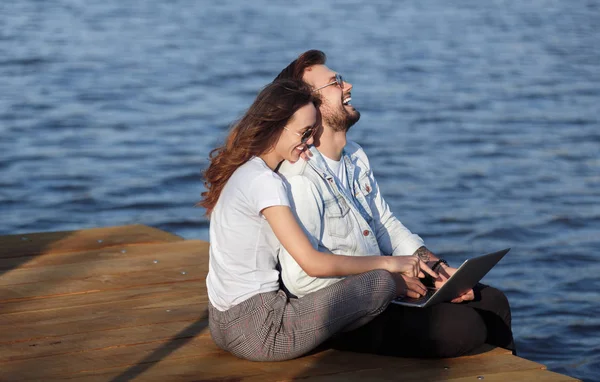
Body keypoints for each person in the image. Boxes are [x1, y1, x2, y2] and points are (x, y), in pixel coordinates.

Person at [275, 50, 516, 358]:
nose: (348, 85)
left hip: (387, 290)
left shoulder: (356, 157)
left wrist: (435, 268)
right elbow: (300, 280)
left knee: (493, 302)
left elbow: (386, 225)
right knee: (465, 327)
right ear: (308, 107)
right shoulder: (300, 179)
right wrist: (389, 282)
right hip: (343, 313)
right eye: (335, 82)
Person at [200, 79, 438, 362]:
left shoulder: (244, 171)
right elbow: (311, 263)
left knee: (379, 284)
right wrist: (389, 265)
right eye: (304, 133)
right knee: (380, 284)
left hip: (223, 321)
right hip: (262, 329)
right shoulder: (266, 182)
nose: (310, 142)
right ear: (275, 126)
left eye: (312, 132)